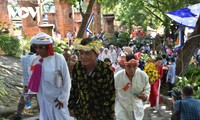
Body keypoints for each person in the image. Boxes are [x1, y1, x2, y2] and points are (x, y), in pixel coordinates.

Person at [28, 32, 73, 120]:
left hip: (57, 99)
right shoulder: (33, 59)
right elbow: (31, 78)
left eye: (41, 47)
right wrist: (30, 93)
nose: (38, 50)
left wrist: (62, 98)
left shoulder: (58, 58)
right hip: (42, 98)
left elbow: (66, 80)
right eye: (36, 47)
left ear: (49, 47)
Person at [68, 38, 115, 120]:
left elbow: (109, 97)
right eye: (81, 53)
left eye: (87, 53)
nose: (83, 57)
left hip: (102, 114)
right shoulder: (77, 67)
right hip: (82, 112)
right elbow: (74, 89)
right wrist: (71, 107)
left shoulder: (105, 70)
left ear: (96, 54)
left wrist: (97, 115)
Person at [115, 54, 150, 120]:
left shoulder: (143, 76)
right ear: (124, 65)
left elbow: (147, 89)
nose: (132, 69)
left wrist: (145, 96)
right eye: (129, 66)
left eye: (134, 66)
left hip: (137, 110)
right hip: (122, 111)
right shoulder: (117, 77)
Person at [14, 45, 36, 120]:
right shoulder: (36, 59)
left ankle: (19, 114)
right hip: (35, 85)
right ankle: (42, 114)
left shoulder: (23, 58)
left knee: (24, 97)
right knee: (40, 98)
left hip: (26, 84)